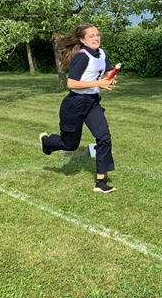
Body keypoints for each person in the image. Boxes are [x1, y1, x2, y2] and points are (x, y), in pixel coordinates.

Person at [39, 24, 119, 193]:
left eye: (97, 35)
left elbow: (108, 71)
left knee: (104, 137)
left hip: (92, 103)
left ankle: (101, 182)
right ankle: (47, 142)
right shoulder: (82, 56)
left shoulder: (102, 53)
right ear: (83, 40)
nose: (96, 38)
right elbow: (71, 83)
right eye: (91, 36)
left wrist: (111, 78)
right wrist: (98, 83)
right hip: (74, 104)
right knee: (70, 145)